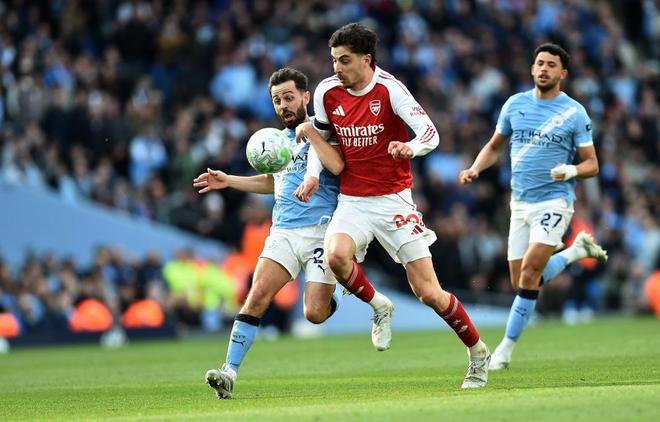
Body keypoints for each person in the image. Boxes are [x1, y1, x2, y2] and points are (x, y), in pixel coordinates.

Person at [295, 23, 491, 389]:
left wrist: (410, 148)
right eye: (334, 60)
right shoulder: (326, 91)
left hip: (393, 201)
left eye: (345, 60)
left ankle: (477, 351)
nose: (337, 68)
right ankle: (379, 306)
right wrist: (311, 176)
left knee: (429, 293)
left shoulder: (390, 89)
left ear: (366, 59)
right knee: (336, 256)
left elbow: (430, 133)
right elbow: (319, 140)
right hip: (353, 200)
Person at [193, 67, 394, 399]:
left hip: (322, 232)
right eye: (277, 101)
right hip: (283, 232)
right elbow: (271, 182)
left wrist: (312, 135)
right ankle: (229, 372)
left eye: (288, 98)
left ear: (305, 96)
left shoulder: (327, 131)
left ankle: (340, 284)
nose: (283, 106)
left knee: (314, 313)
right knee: (257, 295)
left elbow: (338, 166)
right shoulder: (277, 142)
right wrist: (228, 180)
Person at [459, 43, 608, 370]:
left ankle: (504, 351)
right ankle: (575, 251)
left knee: (529, 272)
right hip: (520, 204)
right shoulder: (515, 104)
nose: (544, 69)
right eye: (540, 63)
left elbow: (592, 164)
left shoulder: (574, 113)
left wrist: (571, 170)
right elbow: (494, 146)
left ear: (562, 73)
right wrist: (475, 168)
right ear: (532, 68)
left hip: (555, 201)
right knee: (522, 282)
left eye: (551, 65)